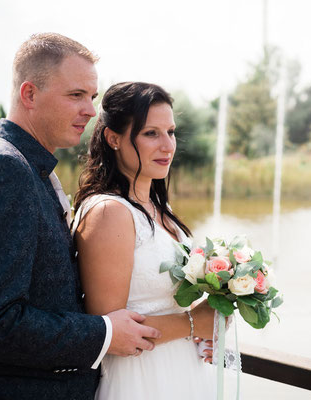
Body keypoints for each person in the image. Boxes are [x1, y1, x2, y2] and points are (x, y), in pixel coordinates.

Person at [0, 33, 160, 400]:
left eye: (92, 97)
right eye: (75, 95)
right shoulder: (3, 168)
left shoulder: (32, 165)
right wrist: (105, 332)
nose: (91, 111)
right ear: (29, 94)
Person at [72, 81, 216, 399]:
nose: (167, 145)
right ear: (113, 138)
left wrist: (212, 311)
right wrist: (195, 322)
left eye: (171, 132)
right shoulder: (110, 212)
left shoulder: (159, 207)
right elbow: (110, 333)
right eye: (151, 133)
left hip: (181, 371)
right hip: (140, 379)